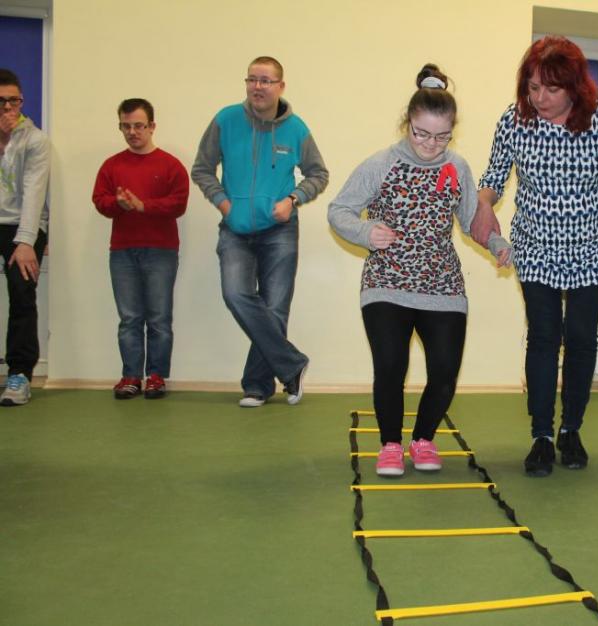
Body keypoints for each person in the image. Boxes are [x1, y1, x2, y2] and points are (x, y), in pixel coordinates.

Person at [329, 64, 511, 477]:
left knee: (445, 372)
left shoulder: (456, 168)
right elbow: (339, 210)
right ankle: (391, 445)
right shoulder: (381, 164)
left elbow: (472, 219)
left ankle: (423, 439)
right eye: (421, 134)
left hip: (442, 284)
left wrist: (497, 244)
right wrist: (365, 231)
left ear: (452, 131)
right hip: (387, 283)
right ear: (407, 124)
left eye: (442, 136)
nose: (431, 144)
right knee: (391, 368)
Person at [472, 36, 598, 477]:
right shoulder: (515, 120)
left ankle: (571, 430)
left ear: (574, 86)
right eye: (532, 87)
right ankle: (542, 436)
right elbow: (494, 176)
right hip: (536, 246)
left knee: (582, 339)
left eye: (551, 88)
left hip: (592, 247)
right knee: (544, 337)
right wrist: (484, 202)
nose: (539, 98)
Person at [191, 56, 328, 407]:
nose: (257, 86)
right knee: (236, 294)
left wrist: (293, 200)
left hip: (279, 230)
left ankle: (257, 386)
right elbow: (202, 168)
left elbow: (318, 174)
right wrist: (224, 204)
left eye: (265, 80)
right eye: (252, 79)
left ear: (280, 86)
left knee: (275, 307)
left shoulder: (296, 129)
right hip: (235, 230)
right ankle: (292, 364)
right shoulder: (225, 120)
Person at [92, 99, 189, 400]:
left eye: (138, 126)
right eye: (126, 126)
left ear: (152, 126)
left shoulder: (170, 165)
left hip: (161, 251)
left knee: (159, 318)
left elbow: (179, 204)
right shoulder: (111, 165)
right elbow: (100, 200)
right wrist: (118, 204)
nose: (132, 132)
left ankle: (156, 377)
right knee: (129, 318)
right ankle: (131, 376)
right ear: (120, 126)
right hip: (122, 251)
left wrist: (143, 206)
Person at [0, 68, 50, 407]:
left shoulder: (36, 140)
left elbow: (34, 193)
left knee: (21, 289)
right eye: (1, 102)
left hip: (24, 223)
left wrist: (26, 242)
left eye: (13, 101)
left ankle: (19, 374)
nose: (8, 108)